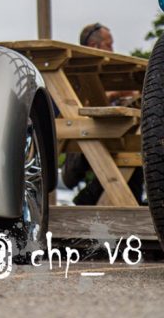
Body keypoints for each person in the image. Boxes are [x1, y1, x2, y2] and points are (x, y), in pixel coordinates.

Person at [61, 22, 144, 205]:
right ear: (94, 46)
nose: (112, 49)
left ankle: (100, 199)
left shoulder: (110, 70)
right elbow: (77, 106)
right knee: (124, 148)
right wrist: (115, 94)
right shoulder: (73, 69)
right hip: (86, 136)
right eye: (108, 44)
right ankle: (94, 199)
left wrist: (128, 97)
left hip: (105, 137)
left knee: (131, 150)